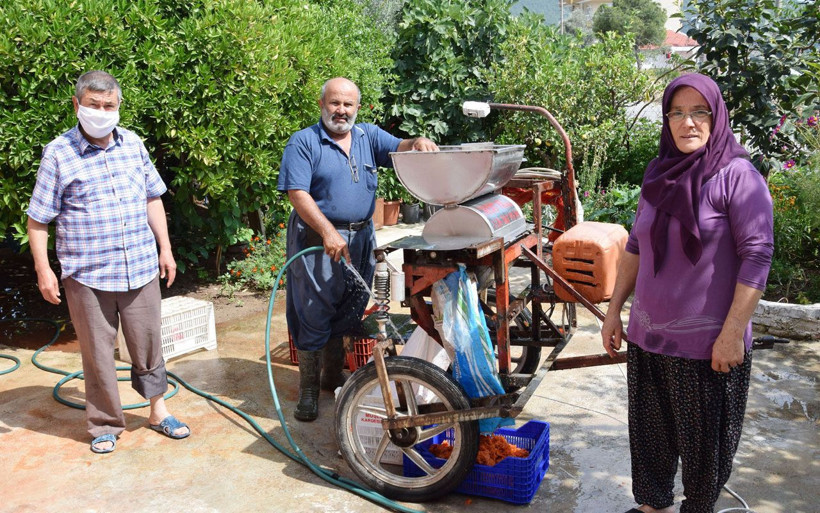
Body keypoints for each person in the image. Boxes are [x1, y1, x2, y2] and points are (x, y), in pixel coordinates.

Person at [601, 73, 773, 513]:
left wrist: (733, 333)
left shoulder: (739, 178)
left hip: (708, 351)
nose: (688, 123)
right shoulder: (658, 173)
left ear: (717, 118)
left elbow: (757, 257)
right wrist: (614, 310)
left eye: (700, 112)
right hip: (648, 340)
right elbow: (637, 246)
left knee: (704, 468)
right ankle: (652, 507)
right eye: (676, 112)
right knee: (651, 452)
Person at [27, 70, 190, 454]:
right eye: (93, 105)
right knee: (98, 353)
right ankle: (104, 424)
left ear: (118, 106)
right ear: (77, 105)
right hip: (87, 275)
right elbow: (38, 219)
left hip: (139, 266)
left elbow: (153, 198)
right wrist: (43, 270)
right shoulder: (58, 153)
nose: (101, 112)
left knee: (148, 344)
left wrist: (164, 248)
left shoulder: (132, 144)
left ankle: (157, 410)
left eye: (109, 106)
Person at [277, 77, 437, 421]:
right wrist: (327, 231)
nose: (341, 110)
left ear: (357, 108)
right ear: (322, 104)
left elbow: (402, 146)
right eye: (335, 103)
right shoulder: (304, 142)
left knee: (348, 307)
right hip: (317, 240)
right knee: (313, 310)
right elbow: (297, 193)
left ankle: (331, 376)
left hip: (362, 237)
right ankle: (307, 391)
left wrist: (418, 142)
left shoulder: (368, 136)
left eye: (348, 105)